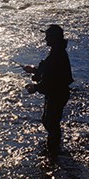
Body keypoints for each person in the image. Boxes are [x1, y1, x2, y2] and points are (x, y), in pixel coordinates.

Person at [24, 24, 73, 156]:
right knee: (49, 121)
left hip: (57, 94)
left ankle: (54, 153)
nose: (45, 39)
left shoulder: (57, 54)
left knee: (51, 123)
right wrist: (34, 70)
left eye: (47, 36)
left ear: (54, 38)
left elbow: (51, 81)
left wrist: (34, 87)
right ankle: (54, 150)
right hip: (57, 93)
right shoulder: (57, 51)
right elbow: (49, 72)